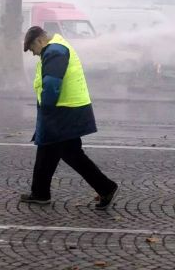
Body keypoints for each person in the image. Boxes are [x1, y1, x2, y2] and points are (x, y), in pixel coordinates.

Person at [20, 26, 118, 210]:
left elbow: (51, 83)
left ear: (40, 41)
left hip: (63, 112)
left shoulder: (54, 51)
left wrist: (47, 108)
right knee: (56, 151)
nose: (33, 54)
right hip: (66, 110)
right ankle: (41, 193)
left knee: (62, 152)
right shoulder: (57, 47)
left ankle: (105, 187)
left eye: (32, 49)